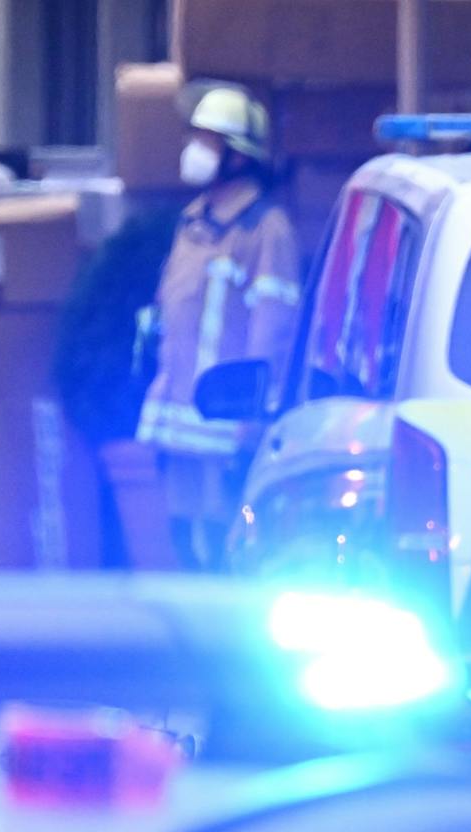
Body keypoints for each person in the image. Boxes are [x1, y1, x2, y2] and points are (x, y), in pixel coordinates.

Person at [136, 83, 301, 569]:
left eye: (208, 141)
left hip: (225, 426)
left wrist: (249, 418)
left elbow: (272, 334)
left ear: (237, 156)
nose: (194, 151)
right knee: (184, 536)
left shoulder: (266, 231)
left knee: (223, 543)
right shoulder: (194, 221)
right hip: (182, 422)